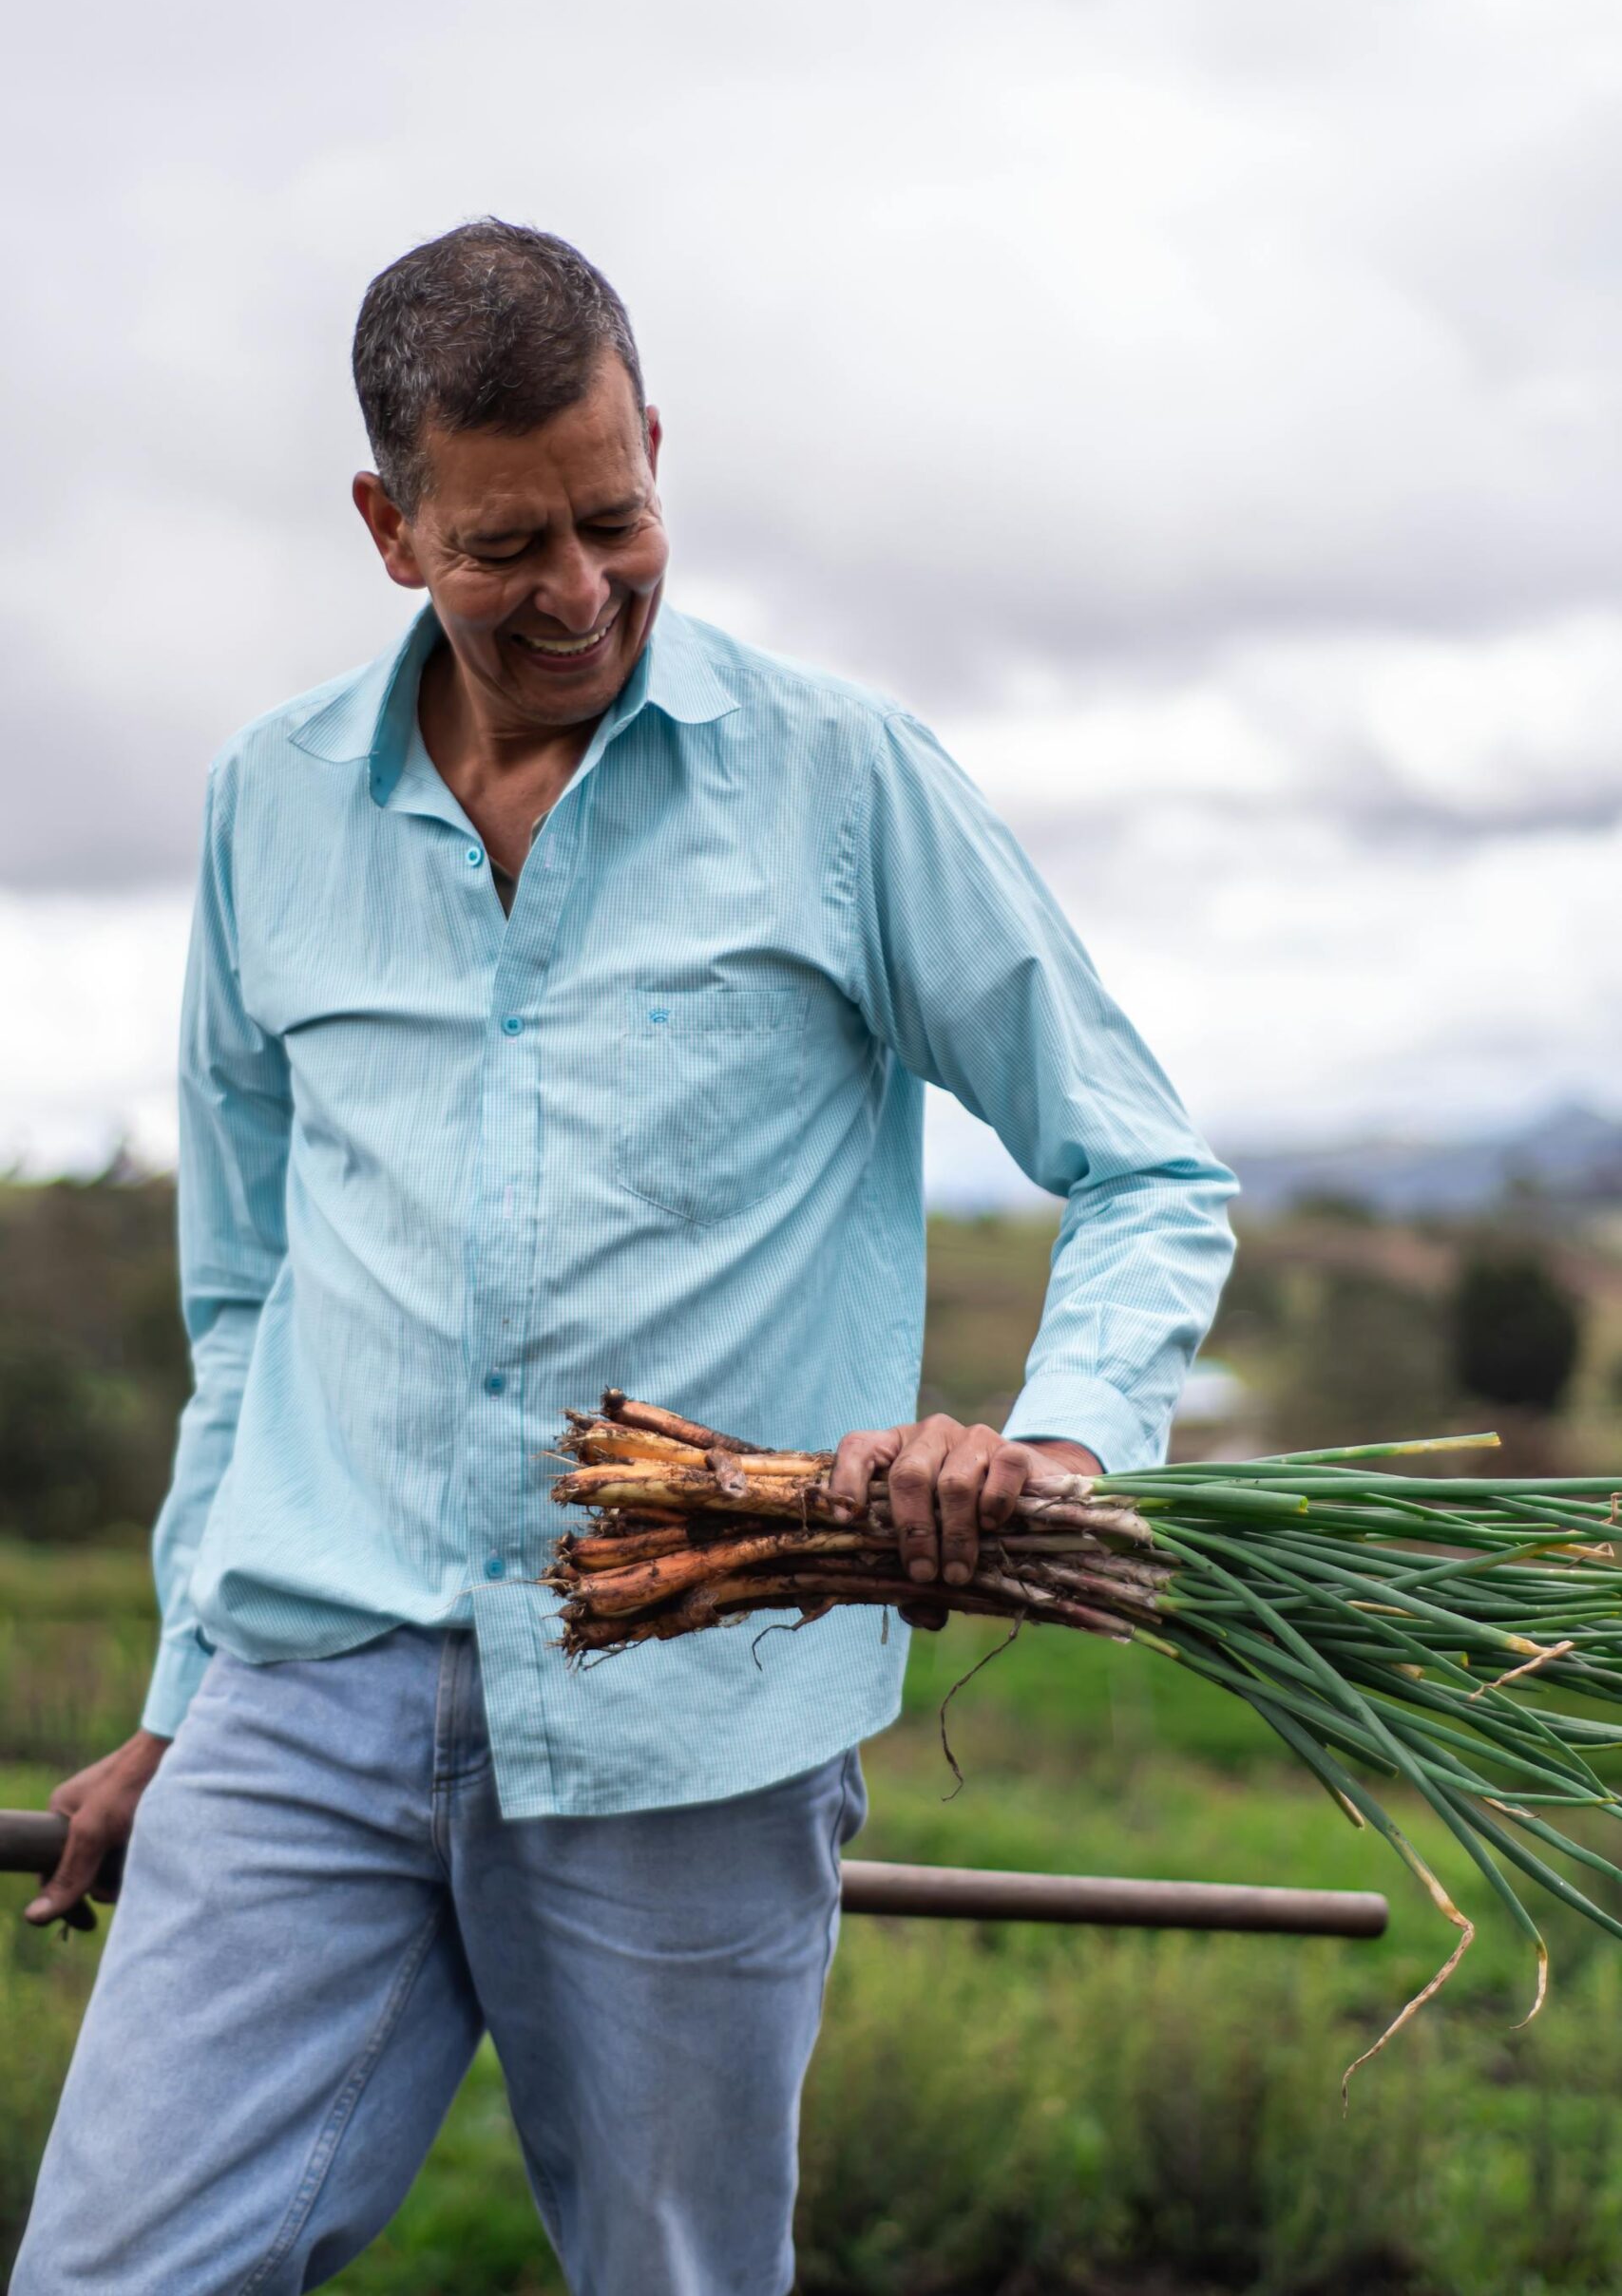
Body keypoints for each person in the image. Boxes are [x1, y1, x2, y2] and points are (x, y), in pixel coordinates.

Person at [14, 220, 1236, 2295]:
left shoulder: (841, 781)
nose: (576, 589)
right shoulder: (263, 808)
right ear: (388, 527)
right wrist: (179, 1701)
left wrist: (1052, 1449)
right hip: (305, 1692)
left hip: (693, 1712)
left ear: (656, 445)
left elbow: (1143, 1165)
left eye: (614, 515)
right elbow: (247, 1308)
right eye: (504, 545)